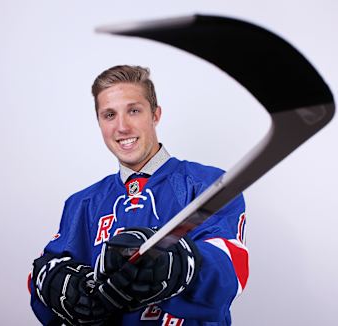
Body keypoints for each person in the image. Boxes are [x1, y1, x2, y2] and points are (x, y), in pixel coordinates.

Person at [29, 65, 249, 325]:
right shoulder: (82, 203)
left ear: (155, 115)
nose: (122, 126)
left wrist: (176, 264)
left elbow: (232, 268)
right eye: (109, 115)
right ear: (99, 123)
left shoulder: (208, 185)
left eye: (133, 110)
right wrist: (56, 286)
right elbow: (43, 273)